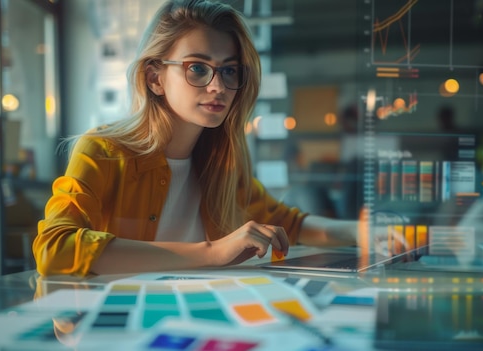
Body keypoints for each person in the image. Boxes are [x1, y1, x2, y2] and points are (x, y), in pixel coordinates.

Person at [33, 0, 358, 277]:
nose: (218, 86)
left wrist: (367, 232)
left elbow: (290, 225)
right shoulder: (102, 152)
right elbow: (55, 246)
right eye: (198, 68)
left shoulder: (225, 163)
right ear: (155, 78)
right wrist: (212, 252)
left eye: (229, 70)